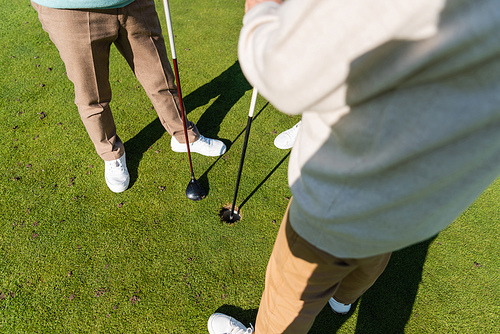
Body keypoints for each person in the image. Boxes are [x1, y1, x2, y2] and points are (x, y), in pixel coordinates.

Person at [208, 0, 500, 333]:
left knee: (287, 299)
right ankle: (343, 299)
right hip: (422, 203)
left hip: (339, 203)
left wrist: (260, 10)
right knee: (373, 254)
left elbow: (283, 75)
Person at [31, 0, 226, 193]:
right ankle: (112, 154)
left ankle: (184, 135)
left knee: (161, 79)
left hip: (134, 4)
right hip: (71, 11)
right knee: (92, 95)